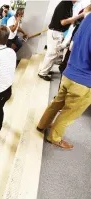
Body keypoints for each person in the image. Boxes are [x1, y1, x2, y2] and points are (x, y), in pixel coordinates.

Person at [36, 9, 91, 149]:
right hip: (84, 82)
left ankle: (42, 125)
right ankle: (54, 137)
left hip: (69, 73)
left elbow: (72, 45)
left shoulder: (87, 20)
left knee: (57, 103)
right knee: (69, 113)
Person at [38, 0, 84, 81]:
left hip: (57, 32)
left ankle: (45, 70)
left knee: (52, 53)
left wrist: (74, 20)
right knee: (52, 54)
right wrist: (80, 16)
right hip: (55, 32)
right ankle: (43, 73)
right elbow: (63, 22)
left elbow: (67, 19)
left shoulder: (69, 4)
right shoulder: (65, 3)